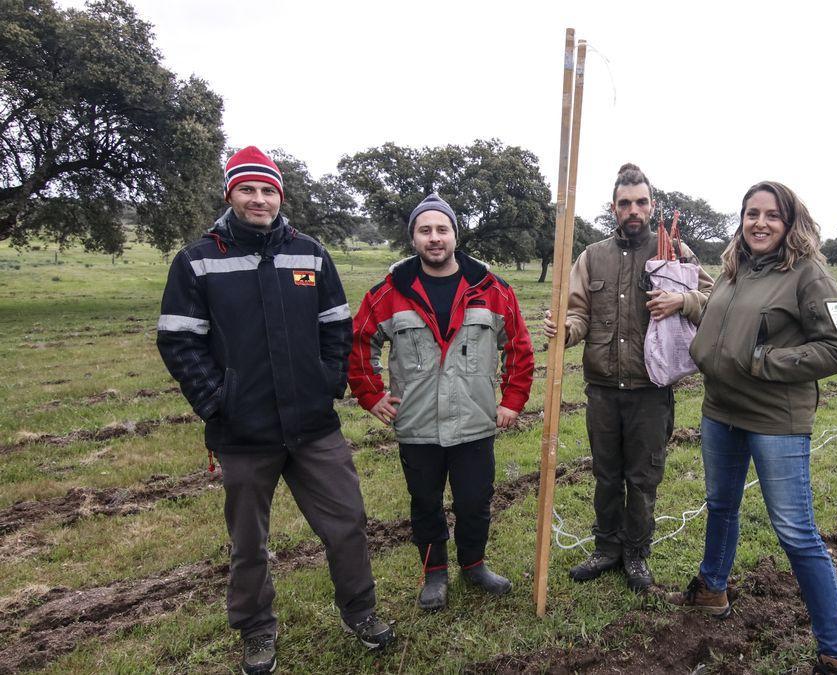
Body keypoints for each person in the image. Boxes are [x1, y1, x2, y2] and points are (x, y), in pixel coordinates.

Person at [157, 146, 394, 675]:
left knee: (348, 525)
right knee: (249, 545)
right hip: (242, 433)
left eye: (268, 190)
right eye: (248, 189)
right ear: (231, 195)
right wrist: (218, 402)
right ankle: (257, 632)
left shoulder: (309, 253)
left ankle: (360, 612)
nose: (259, 199)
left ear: (279, 196)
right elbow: (178, 342)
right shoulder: (197, 260)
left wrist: (329, 381)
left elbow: (337, 324)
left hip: (313, 427)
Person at [665, 181, 837, 674]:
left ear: (790, 222)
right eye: (752, 213)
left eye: (772, 215)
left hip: (775, 421)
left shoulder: (808, 276)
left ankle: (836, 652)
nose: (760, 223)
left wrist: (764, 360)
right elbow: (722, 317)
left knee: (796, 531)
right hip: (720, 411)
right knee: (721, 505)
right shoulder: (736, 268)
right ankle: (712, 587)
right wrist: (691, 311)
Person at [348, 193, 534, 611]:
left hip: (475, 421)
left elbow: (519, 346)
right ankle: (434, 574)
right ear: (413, 237)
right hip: (417, 424)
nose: (435, 238)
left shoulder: (492, 289)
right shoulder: (388, 293)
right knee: (425, 504)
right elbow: (358, 343)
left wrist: (513, 401)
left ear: (455, 234)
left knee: (474, 501)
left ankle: (474, 565)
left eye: (442, 229)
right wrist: (371, 395)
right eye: (425, 230)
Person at [543, 164, 713, 591]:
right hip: (602, 388)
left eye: (641, 202)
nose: (633, 209)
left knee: (642, 477)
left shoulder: (675, 252)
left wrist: (682, 300)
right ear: (613, 207)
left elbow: (716, 301)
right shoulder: (591, 256)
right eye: (624, 203)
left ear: (652, 205)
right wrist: (565, 330)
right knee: (606, 473)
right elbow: (578, 313)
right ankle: (606, 548)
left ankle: (636, 554)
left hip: (651, 390)